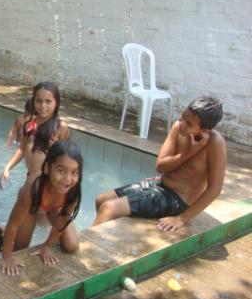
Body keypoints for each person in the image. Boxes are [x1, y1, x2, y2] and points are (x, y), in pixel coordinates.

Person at [93, 97, 226, 232]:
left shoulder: (215, 143)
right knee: (101, 200)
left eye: (189, 124)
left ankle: (89, 250)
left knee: (109, 208)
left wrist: (181, 219)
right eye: (182, 117)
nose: (182, 124)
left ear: (205, 130)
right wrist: (187, 153)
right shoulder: (178, 127)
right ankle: (102, 235)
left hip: (177, 200)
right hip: (159, 185)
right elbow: (160, 166)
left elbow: (215, 189)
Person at [1, 141, 83, 276]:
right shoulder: (33, 187)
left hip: (52, 207)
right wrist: (7, 257)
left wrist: (47, 246)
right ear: (48, 168)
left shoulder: (73, 191)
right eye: (61, 171)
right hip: (32, 206)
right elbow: (13, 224)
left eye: (74, 172)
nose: (68, 179)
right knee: (20, 248)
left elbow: (63, 220)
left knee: (71, 246)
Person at [0, 82, 70, 189]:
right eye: (39, 101)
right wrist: (8, 167)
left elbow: (68, 159)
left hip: (48, 183)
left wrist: (57, 148)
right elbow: (22, 149)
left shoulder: (60, 127)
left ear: (56, 103)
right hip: (30, 178)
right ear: (34, 101)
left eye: (48, 101)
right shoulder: (28, 123)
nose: (43, 106)